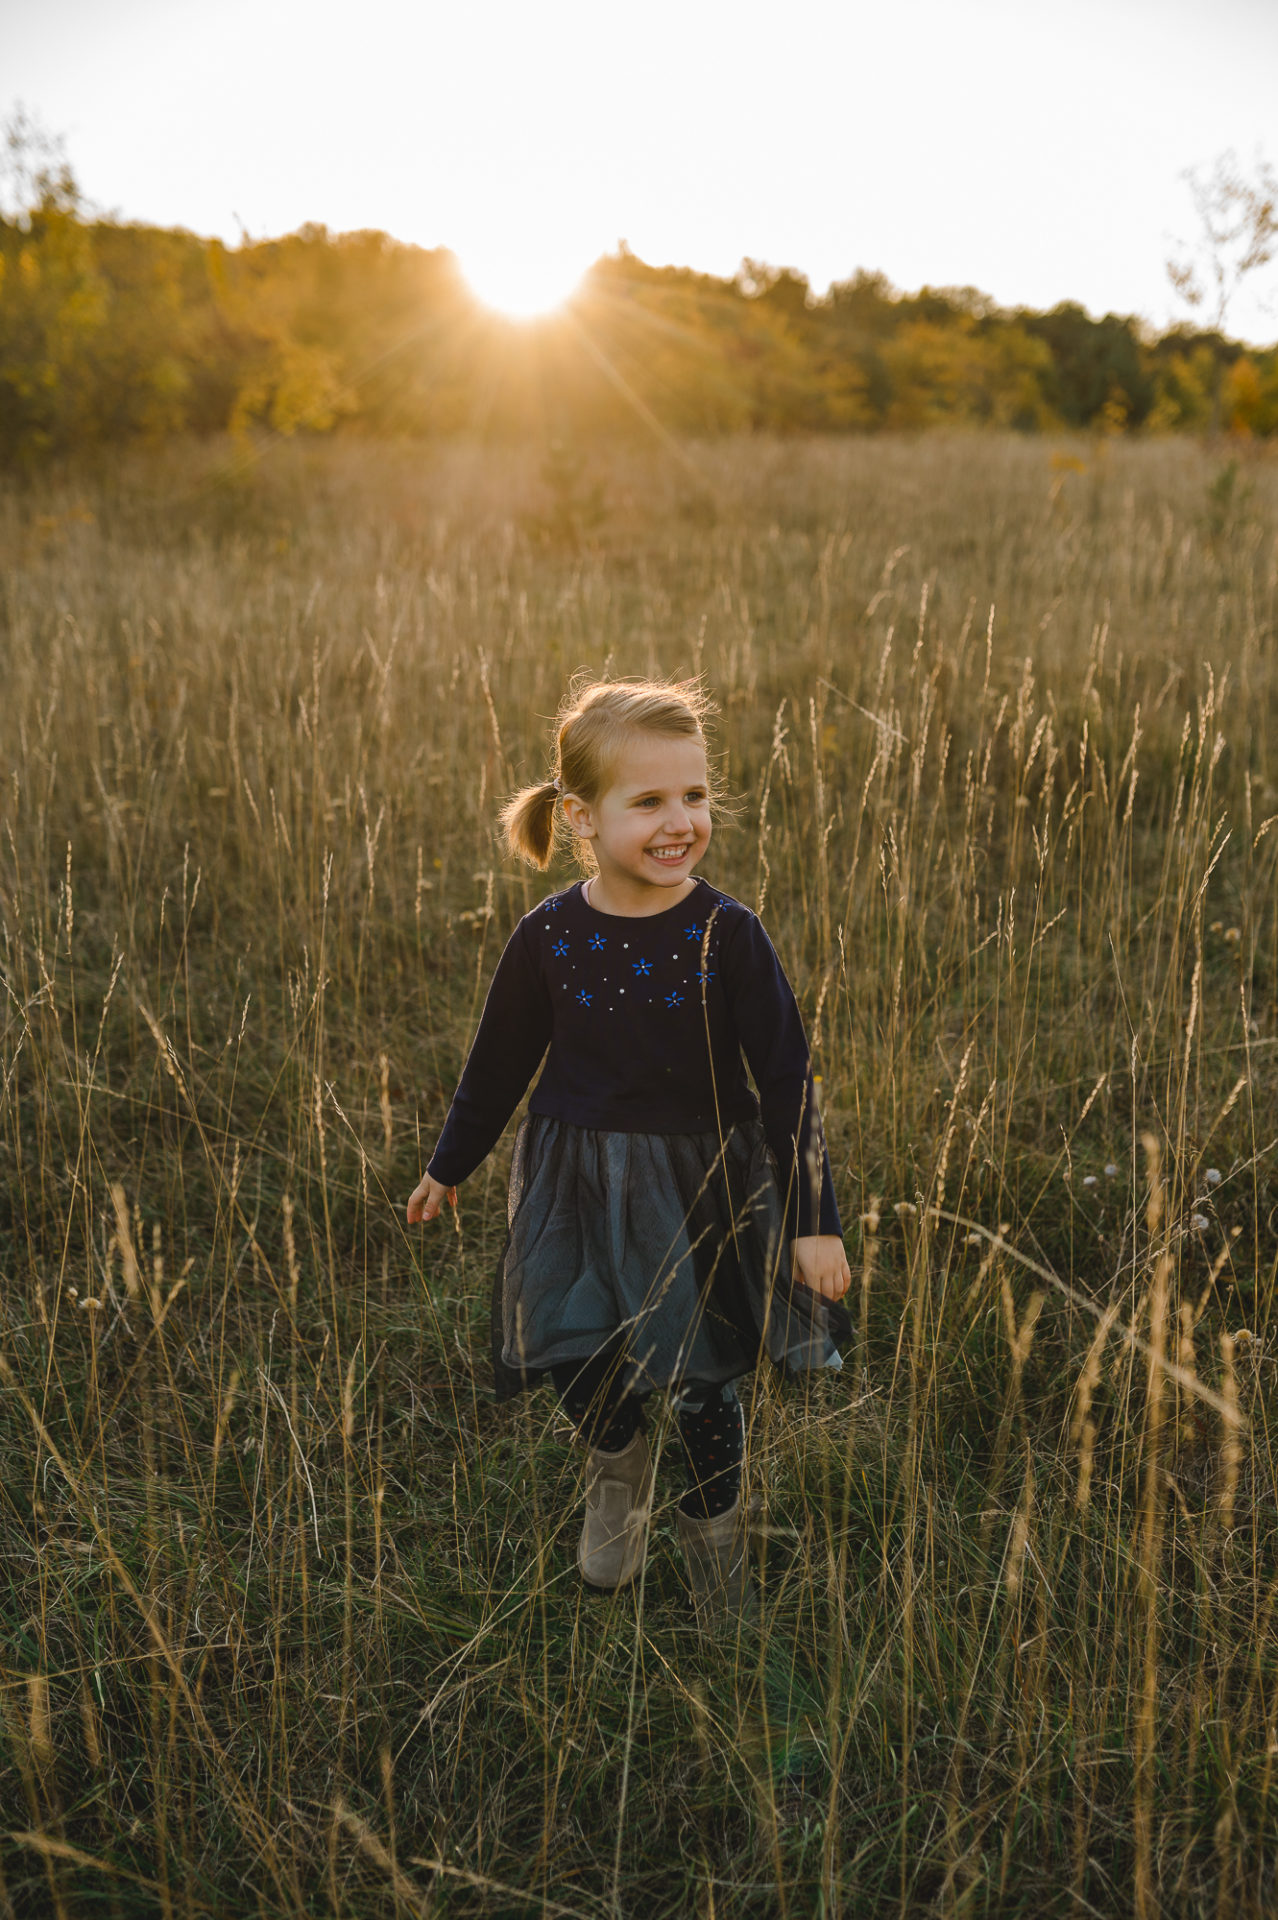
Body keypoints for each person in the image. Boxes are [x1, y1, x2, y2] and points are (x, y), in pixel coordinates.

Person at [407, 676, 851, 1625]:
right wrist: (449, 1164)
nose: (679, 821)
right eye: (647, 801)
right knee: (576, 1348)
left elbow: (786, 1082)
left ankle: (713, 1535)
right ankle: (617, 1472)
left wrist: (815, 1223)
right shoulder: (550, 937)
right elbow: (496, 1065)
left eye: (694, 796)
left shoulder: (725, 935)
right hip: (575, 1179)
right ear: (580, 815)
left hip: (701, 1186)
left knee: (701, 1375)